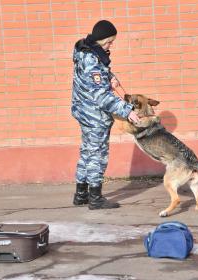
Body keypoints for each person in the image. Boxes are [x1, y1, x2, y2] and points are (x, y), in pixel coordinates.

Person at [71, 20, 140, 210]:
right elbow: (101, 96)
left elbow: (97, 75)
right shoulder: (92, 59)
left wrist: (110, 77)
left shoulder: (86, 51)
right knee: (97, 154)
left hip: (83, 110)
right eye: (109, 42)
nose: (110, 46)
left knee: (87, 151)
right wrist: (128, 111)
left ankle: (81, 194)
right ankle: (95, 198)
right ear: (100, 39)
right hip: (94, 115)